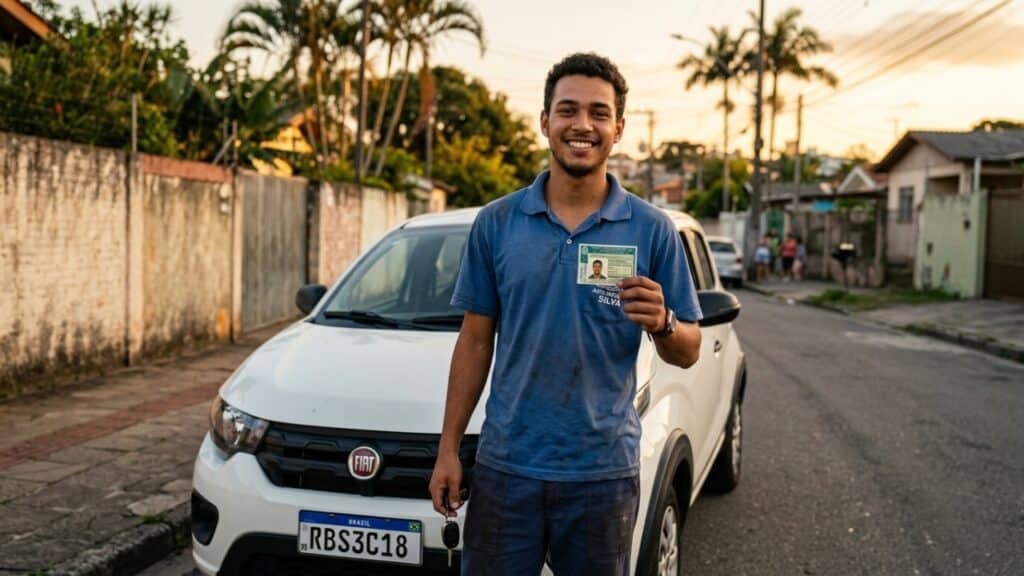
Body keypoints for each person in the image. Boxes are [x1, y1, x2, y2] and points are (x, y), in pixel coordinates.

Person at [428, 52, 703, 575]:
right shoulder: (497, 223)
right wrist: (448, 451)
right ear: (545, 122)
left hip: (602, 474)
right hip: (506, 468)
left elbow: (687, 349)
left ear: (618, 128)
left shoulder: (651, 229)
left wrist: (665, 321)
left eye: (599, 113)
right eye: (568, 110)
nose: (582, 125)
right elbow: (475, 342)